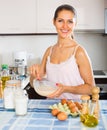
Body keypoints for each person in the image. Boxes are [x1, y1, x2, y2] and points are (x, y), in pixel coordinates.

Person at [29, 4, 95, 99]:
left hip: (73, 109)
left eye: (70, 22)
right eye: (60, 21)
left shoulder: (78, 51)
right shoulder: (49, 51)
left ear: (75, 24)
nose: (65, 26)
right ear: (54, 22)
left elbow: (91, 88)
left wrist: (66, 89)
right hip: (51, 108)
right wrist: (33, 74)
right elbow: (34, 83)